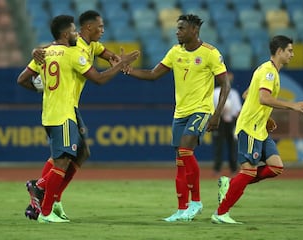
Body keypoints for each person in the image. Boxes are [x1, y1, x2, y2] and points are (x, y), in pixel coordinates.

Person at [17, 14, 139, 223]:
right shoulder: (75, 50)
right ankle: (42, 194)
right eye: (100, 26)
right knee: (63, 159)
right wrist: (121, 65)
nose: (103, 30)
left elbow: (105, 52)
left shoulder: (72, 48)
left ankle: (50, 197)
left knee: (80, 153)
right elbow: (99, 78)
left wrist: (116, 59)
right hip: (65, 110)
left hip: (59, 109)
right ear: (86, 28)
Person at [123, 14, 230, 222]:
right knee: (180, 161)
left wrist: (217, 114)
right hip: (180, 113)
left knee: (185, 150)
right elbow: (153, 74)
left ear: (194, 31)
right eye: (177, 28)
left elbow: (225, 83)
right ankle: (182, 209)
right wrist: (129, 70)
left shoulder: (210, 53)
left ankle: (196, 202)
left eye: (181, 28)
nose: (177, 32)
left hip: (201, 109)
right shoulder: (174, 52)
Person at [210, 35, 303, 224]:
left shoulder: (268, 70)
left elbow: (249, 94)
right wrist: (292, 106)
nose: (292, 54)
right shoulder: (269, 72)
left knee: (276, 167)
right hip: (250, 128)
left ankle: (230, 185)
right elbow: (263, 98)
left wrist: (266, 117)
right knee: (248, 172)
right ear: (279, 51)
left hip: (260, 128)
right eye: (289, 50)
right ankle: (220, 213)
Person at [212, 72, 241, 175]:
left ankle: (233, 169)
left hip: (231, 122)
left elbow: (238, 110)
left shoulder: (234, 93)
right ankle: (217, 169)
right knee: (218, 146)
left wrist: (238, 123)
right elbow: (211, 108)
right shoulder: (215, 92)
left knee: (233, 145)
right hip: (219, 122)